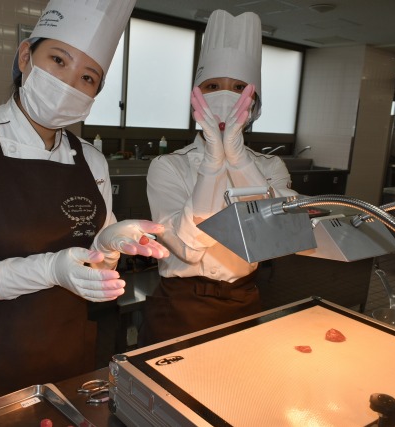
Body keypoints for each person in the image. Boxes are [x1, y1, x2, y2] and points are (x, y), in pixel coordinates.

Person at [0, 0, 169, 415]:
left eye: (87, 77)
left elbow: (93, 263)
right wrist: (48, 269)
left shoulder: (91, 161)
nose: (69, 83)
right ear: (26, 56)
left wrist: (111, 242)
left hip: (64, 358)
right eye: (58, 60)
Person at [141, 10, 297, 345]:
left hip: (244, 300)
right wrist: (213, 162)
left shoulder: (270, 167)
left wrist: (238, 159)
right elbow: (186, 247)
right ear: (196, 100)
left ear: (253, 104)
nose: (225, 96)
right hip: (178, 304)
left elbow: (275, 238)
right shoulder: (168, 166)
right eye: (212, 86)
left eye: (239, 87)